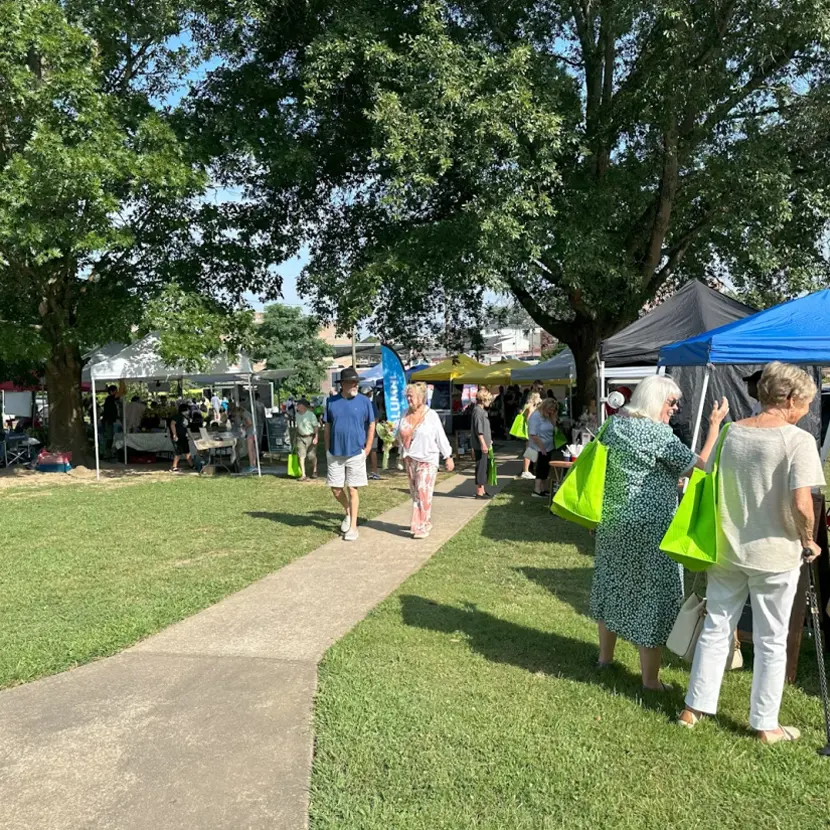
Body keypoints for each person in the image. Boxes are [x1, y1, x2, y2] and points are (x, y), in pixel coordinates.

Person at [679, 363, 825, 742]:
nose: (807, 410)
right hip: (775, 554)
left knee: (717, 627)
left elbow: (707, 469)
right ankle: (765, 724)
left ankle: (693, 708)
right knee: (771, 639)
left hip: (728, 547)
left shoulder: (730, 432)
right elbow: (802, 503)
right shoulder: (798, 440)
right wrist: (809, 540)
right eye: (805, 403)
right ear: (789, 398)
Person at [591, 375, 729, 691]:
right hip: (651, 528)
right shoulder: (658, 435)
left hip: (613, 523)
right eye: (672, 402)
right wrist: (714, 428)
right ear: (656, 400)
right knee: (652, 598)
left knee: (612, 586)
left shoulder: (613, 426)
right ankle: (651, 681)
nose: (676, 408)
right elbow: (700, 466)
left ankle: (604, 659)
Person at [325, 367, 376, 541]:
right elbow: (327, 425)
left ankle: (353, 527)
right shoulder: (331, 402)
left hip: (356, 452)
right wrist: (327, 448)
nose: (355, 385)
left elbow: (371, 424)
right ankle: (348, 512)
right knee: (336, 488)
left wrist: (368, 447)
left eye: (356, 382)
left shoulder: (364, 401)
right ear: (343, 384)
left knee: (353, 489)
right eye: (351, 382)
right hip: (335, 452)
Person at [397, 382, 455, 539]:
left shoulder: (431, 416)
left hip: (428, 458)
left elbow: (440, 437)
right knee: (416, 493)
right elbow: (400, 436)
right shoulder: (404, 414)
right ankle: (422, 521)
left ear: (421, 397)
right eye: (407, 396)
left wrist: (448, 456)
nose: (408, 399)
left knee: (423, 491)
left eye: (411, 396)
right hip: (410, 459)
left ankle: (422, 525)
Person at [527, 397, 565, 498]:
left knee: (546, 468)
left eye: (553, 410)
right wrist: (542, 447)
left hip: (548, 447)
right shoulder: (536, 416)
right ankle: (537, 490)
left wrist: (552, 416)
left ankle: (543, 488)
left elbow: (554, 427)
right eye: (550, 409)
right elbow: (533, 434)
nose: (551, 411)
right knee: (540, 468)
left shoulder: (548, 416)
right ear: (545, 407)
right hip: (539, 447)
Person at [471, 388, 494, 499]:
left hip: (485, 443)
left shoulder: (482, 411)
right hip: (481, 445)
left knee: (484, 467)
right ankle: (479, 492)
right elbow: (479, 430)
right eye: (488, 399)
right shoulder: (478, 412)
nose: (490, 402)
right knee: (481, 467)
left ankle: (483, 490)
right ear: (483, 399)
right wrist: (483, 443)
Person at [518, 392, 543, 480]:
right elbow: (529, 419)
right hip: (531, 431)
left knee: (530, 450)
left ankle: (526, 470)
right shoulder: (531, 407)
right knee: (529, 451)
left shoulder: (528, 406)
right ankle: (526, 471)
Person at [294, 398, 320, 481]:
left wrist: (316, 437)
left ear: (303, 406)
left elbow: (316, 427)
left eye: (298, 405)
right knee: (301, 455)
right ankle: (303, 474)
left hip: (310, 436)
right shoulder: (297, 414)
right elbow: (298, 426)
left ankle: (315, 471)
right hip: (300, 437)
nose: (297, 406)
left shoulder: (311, 415)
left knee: (311, 456)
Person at [360, 386, 381, 480]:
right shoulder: (372, 404)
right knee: (372, 451)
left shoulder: (358, 404)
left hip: (361, 431)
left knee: (362, 452)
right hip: (369, 432)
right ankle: (374, 471)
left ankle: (363, 471)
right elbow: (376, 419)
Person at [169, 403, 193, 473]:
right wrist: (174, 434)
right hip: (178, 437)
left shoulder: (187, 418)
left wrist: (191, 437)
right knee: (178, 452)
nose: (188, 411)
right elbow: (172, 424)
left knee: (187, 451)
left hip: (184, 437)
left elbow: (188, 429)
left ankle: (191, 465)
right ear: (184, 410)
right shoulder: (177, 416)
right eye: (188, 410)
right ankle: (174, 467)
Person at [101, 385, 120, 459]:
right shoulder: (110, 398)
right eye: (115, 391)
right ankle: (106, 453)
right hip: (108, 421)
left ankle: (108, 453)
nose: (117, 392)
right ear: (112, 392)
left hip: (111, 421)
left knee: (110, 437)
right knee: (109, 437)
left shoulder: (111, 399)